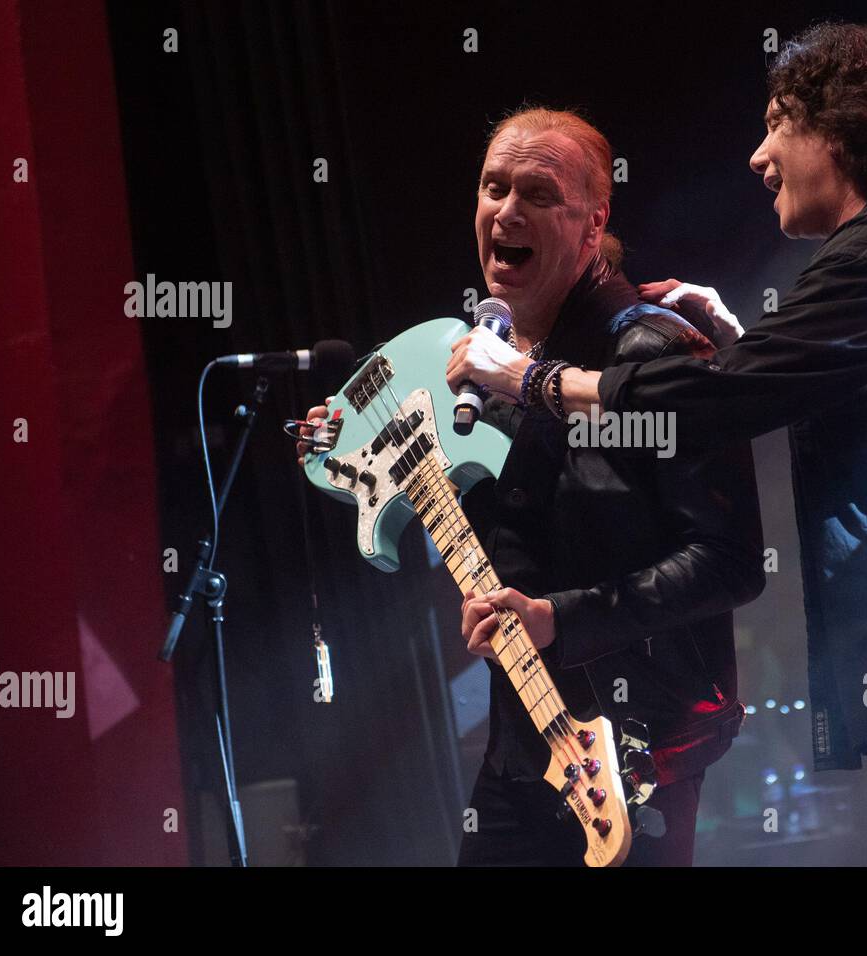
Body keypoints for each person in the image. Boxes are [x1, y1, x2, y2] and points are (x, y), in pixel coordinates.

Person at [446, 24, 867, 866]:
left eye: (778, 123)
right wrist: (741, 342)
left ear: (841, 129)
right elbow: (800, 388)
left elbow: (718, 401)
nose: (760, 156)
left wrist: (530, 379)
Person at [304, 107, 765, 866]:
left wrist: (562, 616)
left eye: (539, 194)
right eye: (493, 188)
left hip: (635, 749)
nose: (507, 211)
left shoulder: (650, 349)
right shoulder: (484, 364)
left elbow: (730, 559)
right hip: (525, 744)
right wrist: (349, 454)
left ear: (594, 222)